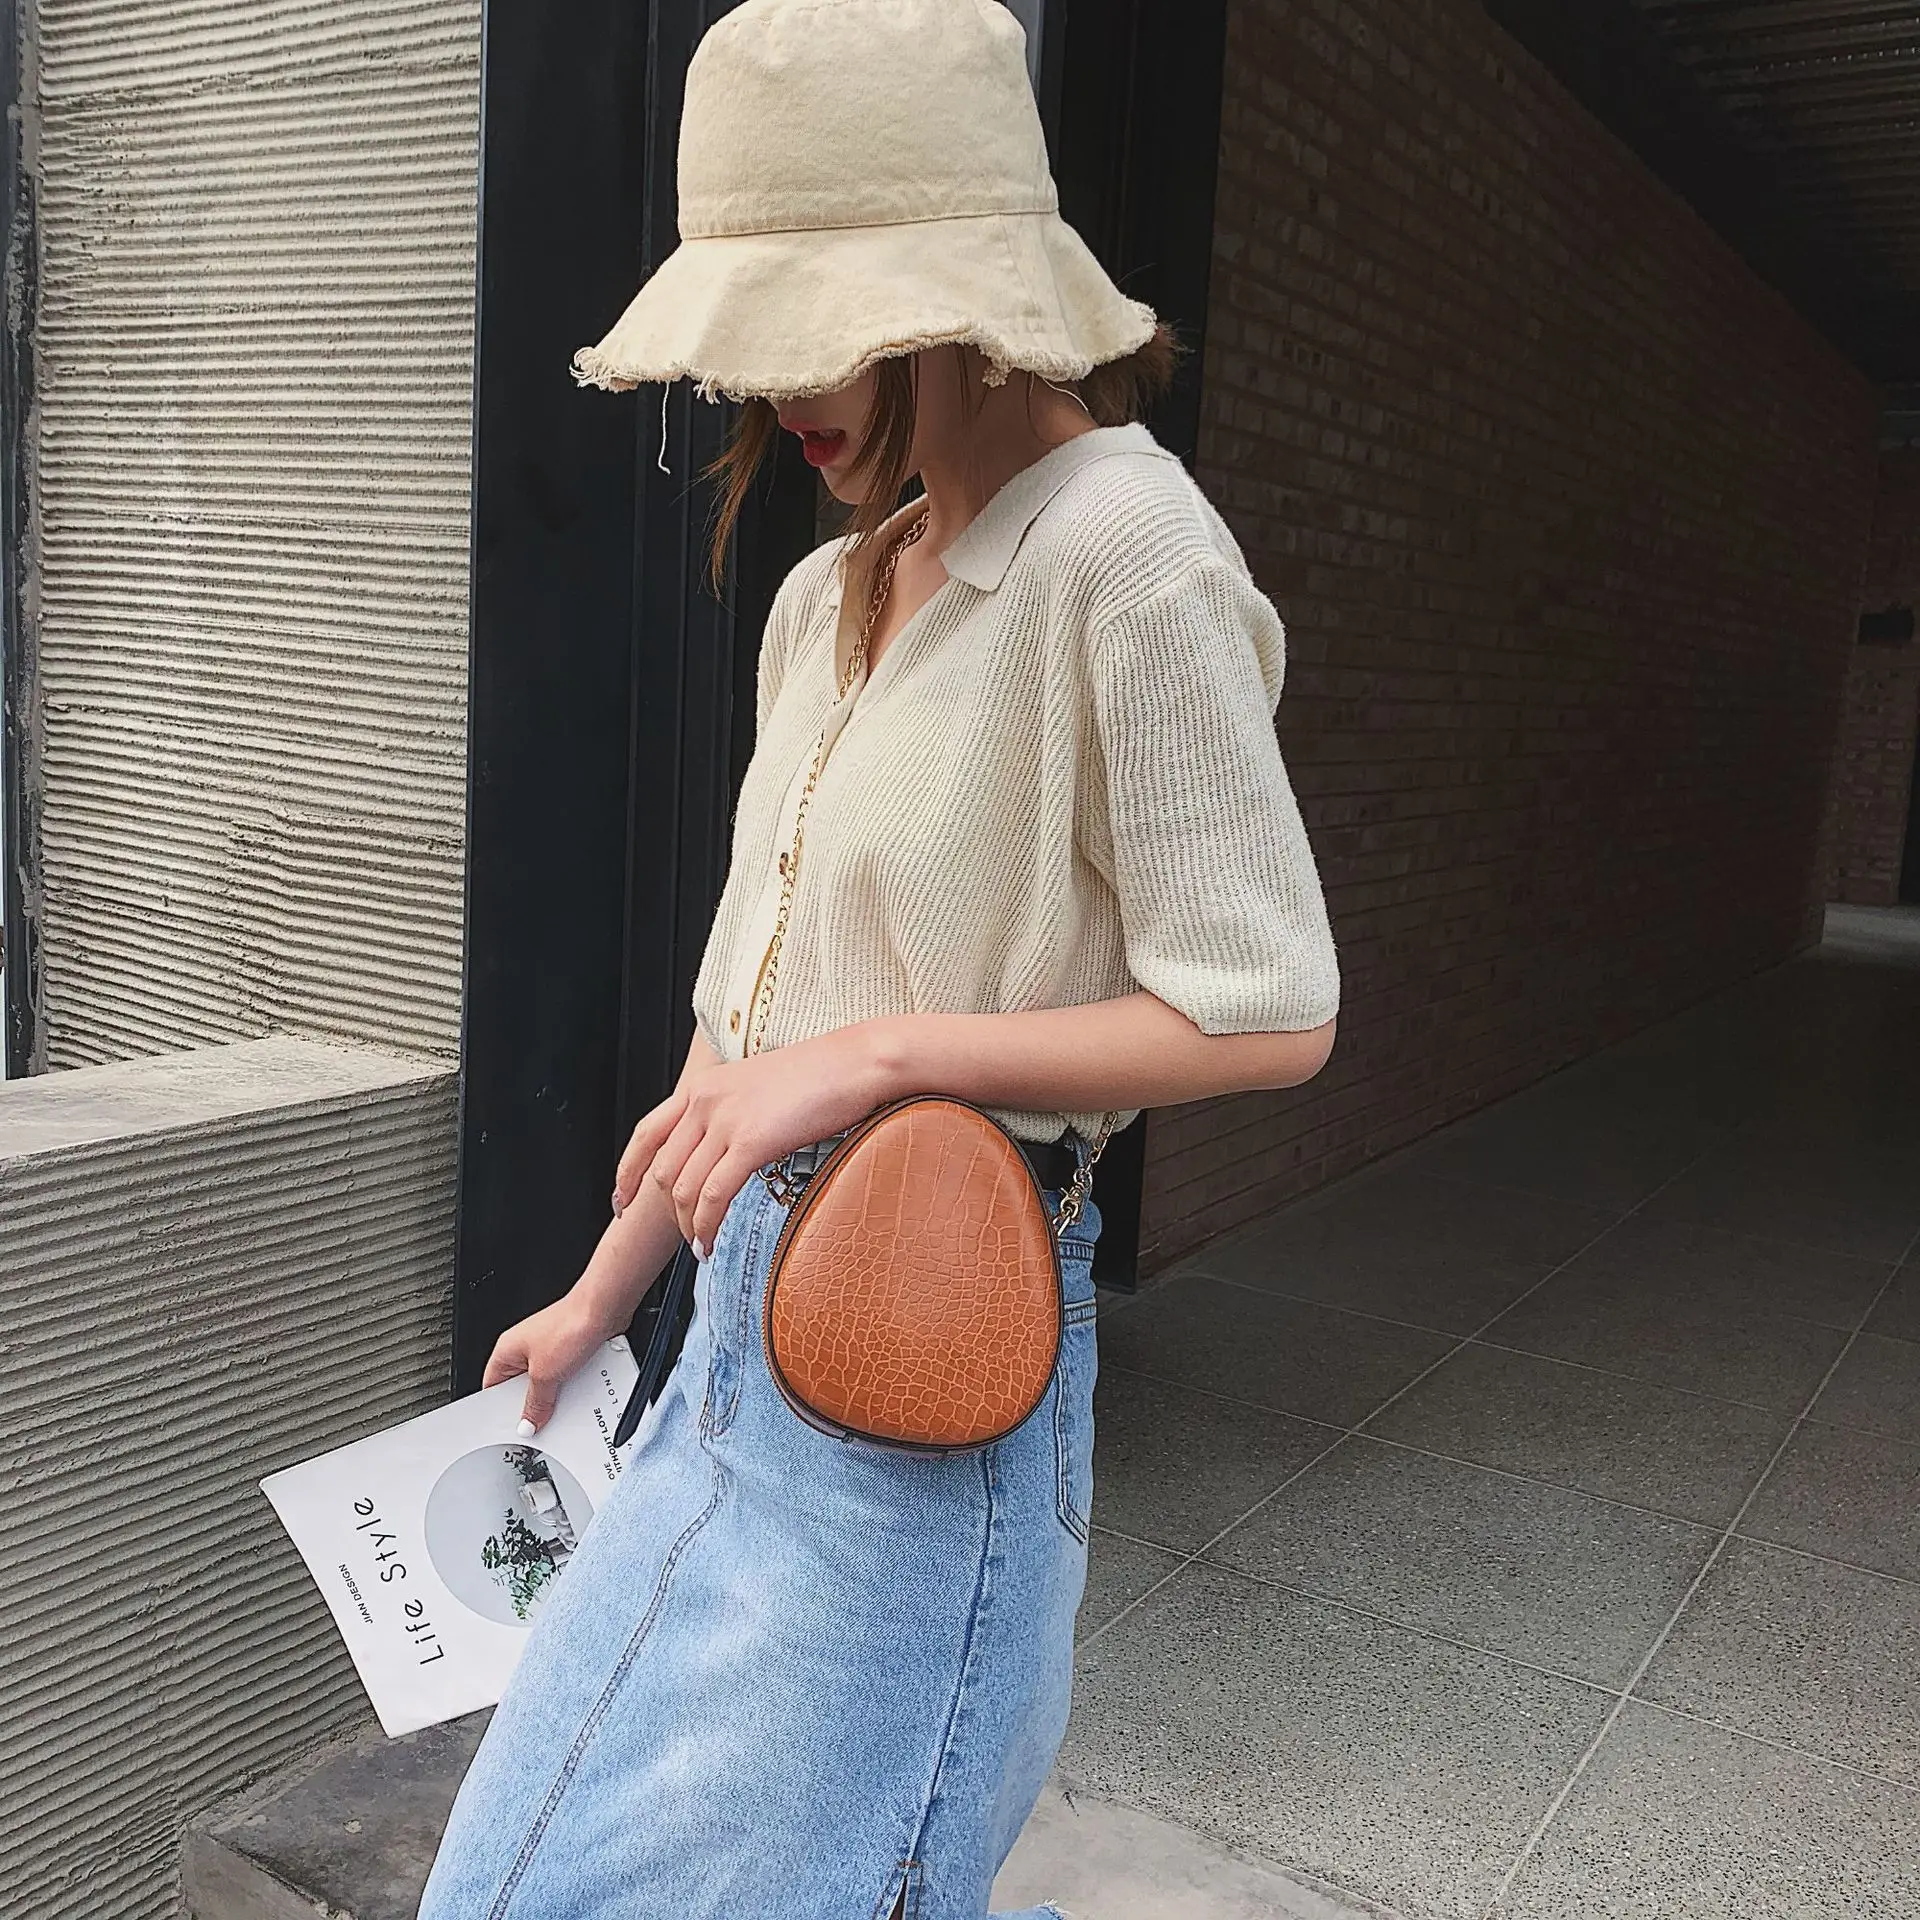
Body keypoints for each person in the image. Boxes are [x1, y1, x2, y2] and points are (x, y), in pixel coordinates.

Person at [417, 2, 1338, 1915]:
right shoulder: (824, 597)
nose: (775, 398)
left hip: (922, 1367)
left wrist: (892, 1054)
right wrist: (599, 1296)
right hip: (725, 1352)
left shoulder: (1129, 553)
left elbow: (1269, 1011)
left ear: (961, 297)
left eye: (818, 330)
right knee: (506, 1883)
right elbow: (744, 1025)